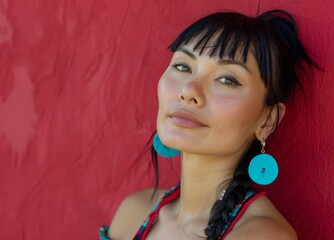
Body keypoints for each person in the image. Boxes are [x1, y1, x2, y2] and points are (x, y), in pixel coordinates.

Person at [99, 9, 316, 240]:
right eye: (183, 67)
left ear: (267, 120)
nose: (189, 91)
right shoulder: (134, 211)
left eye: (227, 79)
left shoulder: (263, 235)